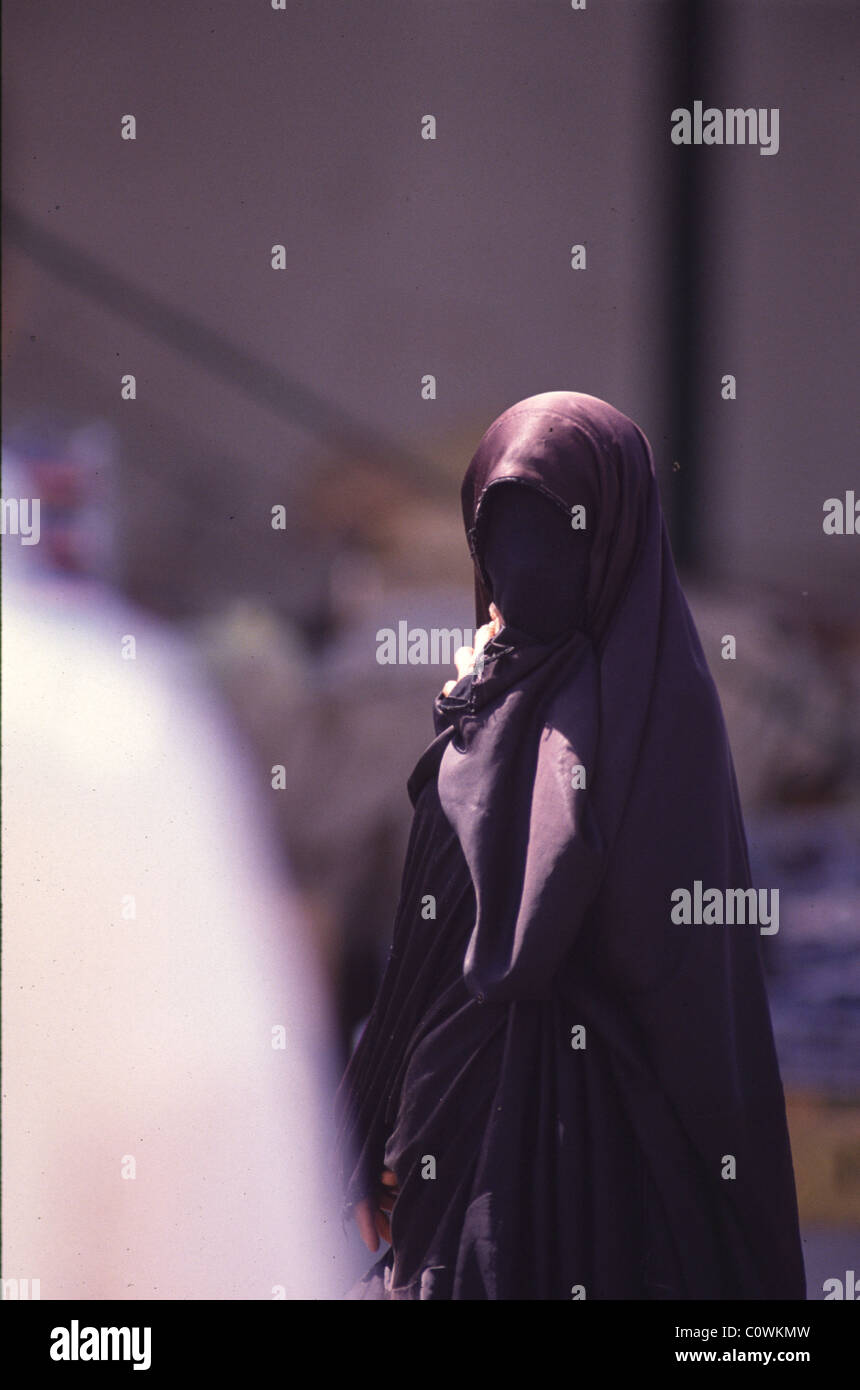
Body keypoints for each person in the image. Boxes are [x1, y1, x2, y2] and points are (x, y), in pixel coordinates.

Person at [334, 390, 806, 1300]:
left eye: (552, 531)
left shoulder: (650, 717)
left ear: (614, 530)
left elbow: (611, 955)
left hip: (619, 1169)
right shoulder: (490, 703)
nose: (525, 567)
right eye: (502, 531)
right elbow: (430, 942)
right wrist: (380, 1121)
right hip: (458, 1157)